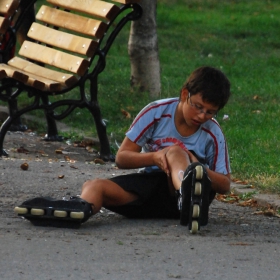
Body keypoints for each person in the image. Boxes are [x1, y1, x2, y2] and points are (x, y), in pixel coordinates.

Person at [15, 66, 231, 233]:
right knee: (95, 185)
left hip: (194, 199)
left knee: (175, 152)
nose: (202, 116)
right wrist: (155, 157)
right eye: (198, 107)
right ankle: (77, 208)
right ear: (185, 94)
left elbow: (225, 183)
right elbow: (122, 158)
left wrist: (195, 167)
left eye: (210, 112)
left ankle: (188, 192)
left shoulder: (212, 132)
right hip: (150, 189)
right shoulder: (156, 112)